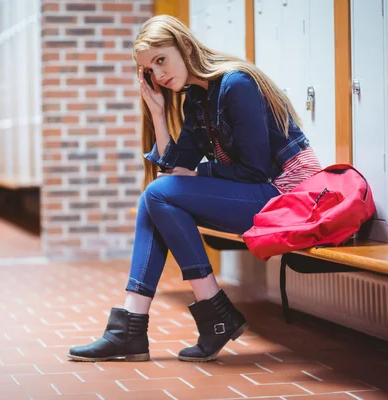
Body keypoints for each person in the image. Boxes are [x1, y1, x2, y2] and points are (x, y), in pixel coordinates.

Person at [67, 15, 321, 363]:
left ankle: (204, 314)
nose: (158, 75)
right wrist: (158, 114)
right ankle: (131, 326)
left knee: (158, 194)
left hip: (288, 198)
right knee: (155, 196)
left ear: (185, 46)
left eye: (161, 60)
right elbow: (176, 167)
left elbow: (254, 171)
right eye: (149, 69)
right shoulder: (196, 101)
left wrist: (195, 173)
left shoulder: (237, 84)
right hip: (260, 193)